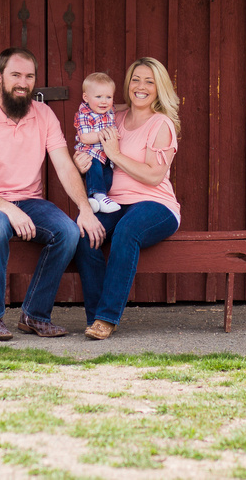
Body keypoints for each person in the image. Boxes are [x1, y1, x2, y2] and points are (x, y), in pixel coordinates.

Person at [0, 47, 105, 341]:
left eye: (29, 76)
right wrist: (9, 209)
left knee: (67, 231)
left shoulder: (44, 115)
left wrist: (85, 209)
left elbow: (65, 166)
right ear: (0, 76)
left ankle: (34, 315)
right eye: (15, 75)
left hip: (29, 202)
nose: (22, 83)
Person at [72, 57, 181, 340]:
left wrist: (117, 154)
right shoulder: (114, 117)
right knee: (86, 233)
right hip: (115, 202)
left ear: (160, 88)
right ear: (127, 85)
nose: (141, 86)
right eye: (136, 79)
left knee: (127, 230)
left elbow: (154, 176)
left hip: (155, 204)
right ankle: (95, 317)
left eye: (149, 81)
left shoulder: (161, 124)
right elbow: (88, 141)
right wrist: (80, 158)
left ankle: (107, 318)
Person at [74, 72, 121, 215]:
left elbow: (119, 107)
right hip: (90, 154)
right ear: (86, 98)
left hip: (105, 155)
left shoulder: (109, 110)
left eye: (109, 97)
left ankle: (94, 199)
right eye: (98, 97)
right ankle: (99, 196)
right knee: (94, 174)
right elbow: (84, 138)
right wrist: (103, 135)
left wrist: (130, 105)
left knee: (107, 176)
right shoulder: (85, 115)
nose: (104, 101)